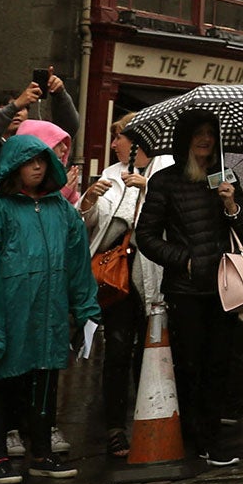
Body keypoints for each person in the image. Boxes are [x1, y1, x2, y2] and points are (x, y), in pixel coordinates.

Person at [135, 111, 243, 467]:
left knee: (220, 364)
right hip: (186, 289)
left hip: (224, 285)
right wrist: (181, 258)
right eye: (198, 134)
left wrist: (231, 204)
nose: (206, 140)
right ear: (185, 140)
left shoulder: (225, 176)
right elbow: (146, 236)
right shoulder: (166, 181)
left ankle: (212, 440)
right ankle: (190, 435)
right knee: (190, 365)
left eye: (210, 134)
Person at [0, 133, 100, 484]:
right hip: (8, 311)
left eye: (41, 160)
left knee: (44, 384)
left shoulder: (63, 212)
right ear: (13, 167)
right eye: (28, 162)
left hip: (49, 314)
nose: (37, 167)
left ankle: (41, 452)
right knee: (0, 383)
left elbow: (79, 265)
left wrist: (87, 310)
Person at [82, 114, 150, 458]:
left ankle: (150, 421)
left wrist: (146, 190)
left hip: (153, 277)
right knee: (119, 350)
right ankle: (114, 428)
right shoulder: (109, 175)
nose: (113, 144)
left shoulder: (161, 170)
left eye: (118, 136)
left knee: (151, 352)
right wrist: (90, 201)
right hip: (117, 274)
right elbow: (93, 227)